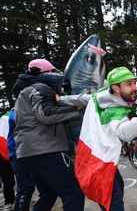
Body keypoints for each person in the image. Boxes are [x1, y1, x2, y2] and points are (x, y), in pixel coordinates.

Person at [75, 67, 137, 211]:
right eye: (129, 84)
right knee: (114, 204)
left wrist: (62, 99)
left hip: (101, 160)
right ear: (115, 88)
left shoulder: (103, 97)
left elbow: (81, 98)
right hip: (98, 163)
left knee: (118, 188)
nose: (135, 87)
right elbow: (124, 133)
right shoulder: (112, 108)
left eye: (135, 83)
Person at [12, 59, 85, 210]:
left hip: (28, 151)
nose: (57, 74)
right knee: (73, 190)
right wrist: (75, 108)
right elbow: (45, 115)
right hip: (45, 148)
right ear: (46, 73)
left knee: (49, 193)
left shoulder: (26, 90)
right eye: (54, 71)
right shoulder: (41, 87)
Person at [7, 108, 36, 211]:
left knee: (27, 187)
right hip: (17, 154)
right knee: (26, 188)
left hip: (25, 154)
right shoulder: (15, 111)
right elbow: (17, 119)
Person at [0, 111, 15, 211]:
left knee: (23, 178)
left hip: (13, 152)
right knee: (7, 180)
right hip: (2, 157)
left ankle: (20, 197)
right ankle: (9, 202)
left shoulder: (6, 119)